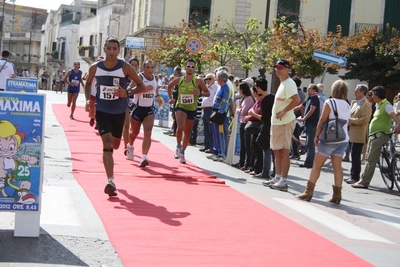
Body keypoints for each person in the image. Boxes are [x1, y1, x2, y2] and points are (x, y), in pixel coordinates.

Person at [84, 37, 145, 197]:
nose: (111, 52)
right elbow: (88, 83)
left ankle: (111, 176)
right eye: (109, 48)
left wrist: (127, 93)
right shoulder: (95, 67)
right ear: (104, 49)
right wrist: (87, 101)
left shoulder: (125, 67)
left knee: (116, 145)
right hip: (102, 111)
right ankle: (110, 180)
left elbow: (142, 85)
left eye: (114, 49)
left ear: (119, 50)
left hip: (118, 112)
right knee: (108, 144)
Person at [297, 80, 351, 204]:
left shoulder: (330, 102)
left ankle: (308, 191)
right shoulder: (347, 104)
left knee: (317, 165)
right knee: (338, 167)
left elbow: (322, 120)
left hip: (329, 138)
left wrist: (317, 135)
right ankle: (337, 195)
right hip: (343, 139)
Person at [352, 86, 400, 189]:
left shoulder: (386, 105)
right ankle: (364, 179)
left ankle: (364, 182)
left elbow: (393, 116)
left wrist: (398, 125)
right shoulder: (379, 105)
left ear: (377, 95)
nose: (371, 96)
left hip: (380, 135)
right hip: (374, 135)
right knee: (370, 158)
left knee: (371, 159)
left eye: (372, 94)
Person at [264, 59, 300, 191]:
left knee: (284, 151)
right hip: (278, 122)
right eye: (276, 67)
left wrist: (284, 111)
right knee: (277, 150)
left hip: (285, 122)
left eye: (280, 67)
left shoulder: (289, 83)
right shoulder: (283, 83)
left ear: (287, 69)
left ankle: (283, 180)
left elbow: (297, 100)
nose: (278, 70)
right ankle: (278, 177)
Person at [167, 59, 209, 164]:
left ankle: (183, 152)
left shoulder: (198, 81)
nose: (190, 68)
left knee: (187, 131)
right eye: (188, 66)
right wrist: (171, 98)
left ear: (194, 69)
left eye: (192, 67)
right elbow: (169, 86)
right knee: (180, 126)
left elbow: (207, 93)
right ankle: (177, 146)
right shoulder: (179, 80)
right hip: (180, 107)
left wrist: (199, 92)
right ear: (185, 68)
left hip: (192, 108)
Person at [126, 60, 163, 167]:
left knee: (148, 132)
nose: (150, 70)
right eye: (148, 67)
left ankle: (143, 157)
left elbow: (155, 91)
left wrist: (157, 97)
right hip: (137, 108)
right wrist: (143, 89)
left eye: (152, 67)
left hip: (149, 109)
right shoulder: (139, 77)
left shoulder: (156, 78)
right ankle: (130, 145)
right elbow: (129, 90)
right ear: (143, 68)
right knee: (134, 133)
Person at [344, 84, 372, 184]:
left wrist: (350, 120)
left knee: (356, 155)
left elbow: (365, 120)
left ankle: (355, 176)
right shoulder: (354, 103)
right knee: (353, 155)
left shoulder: (366, 104)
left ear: (362, 92)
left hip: (359, 134)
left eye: (356, 91)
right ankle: (352, 174)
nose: (354, 93)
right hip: (352, 133)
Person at [251, 78, 274, 179]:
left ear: (259, 88)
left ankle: (265, 171)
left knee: (266, 148)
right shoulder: (272, 97)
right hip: (273, 124)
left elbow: (265, 117)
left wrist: (254, 114)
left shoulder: (265, 100)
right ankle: (274, 172)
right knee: (271, 150)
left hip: (267, 125)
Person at [294, 83, 320, 168]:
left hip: (312, 124)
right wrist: (289, 110)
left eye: (310, 88)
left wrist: (304, 118)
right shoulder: (310, 98)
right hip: (308, 124)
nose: (308, 90)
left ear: (314, 90)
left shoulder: (315, 98)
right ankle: (308, 161)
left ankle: (309, 162)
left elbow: (312, 110)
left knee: (310, 144)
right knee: (308, 143)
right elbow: (301, 106)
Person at [209, 70, 231, 161]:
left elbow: (225, 102)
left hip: (221, 116)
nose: (216, 79)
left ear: (221, 78)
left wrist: (219, 114)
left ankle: (222, 153)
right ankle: (216, 151)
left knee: (221, 134)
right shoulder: (221, 87)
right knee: (215, 134)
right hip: (216, 113)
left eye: (217, 77)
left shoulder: (226, 88)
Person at [123, 58, 140, 154]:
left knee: (133, 129)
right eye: (132, 65)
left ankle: (130, 143)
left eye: (135, 65)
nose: (134, 67)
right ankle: (126, 146)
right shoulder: (123, 77)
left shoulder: (139, 78)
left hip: (136, 104)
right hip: (125, 103)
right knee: (126, 124)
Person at [236, 82, 255, 169]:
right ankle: (241, 162)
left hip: (246, 123)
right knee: (242, 144)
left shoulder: (249, 99)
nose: (239, 91)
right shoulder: (244, 98)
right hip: (242, 122)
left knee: (247, 145)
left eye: (239, 89)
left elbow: (243, 111)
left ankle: (247, 163)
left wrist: (239, 109)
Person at [199, 73, 218, 153]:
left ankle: (211, 147)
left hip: (210, 109)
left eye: (209, 79)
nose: (207, 80)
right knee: (206, 129)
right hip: (205, 109)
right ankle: (206, 145)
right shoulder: (207, 87)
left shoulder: (215, 87)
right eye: (206, 79)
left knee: (210, 129)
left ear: (214, 79)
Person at [290, 76, 306, 160]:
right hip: (298, 115)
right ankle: (294, 151)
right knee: (295, 134)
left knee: (294, 134)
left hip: (295, 114)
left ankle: (295, 153)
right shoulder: (302, 93)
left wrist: (302, 116)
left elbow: (300, 106)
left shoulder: (296, 93)